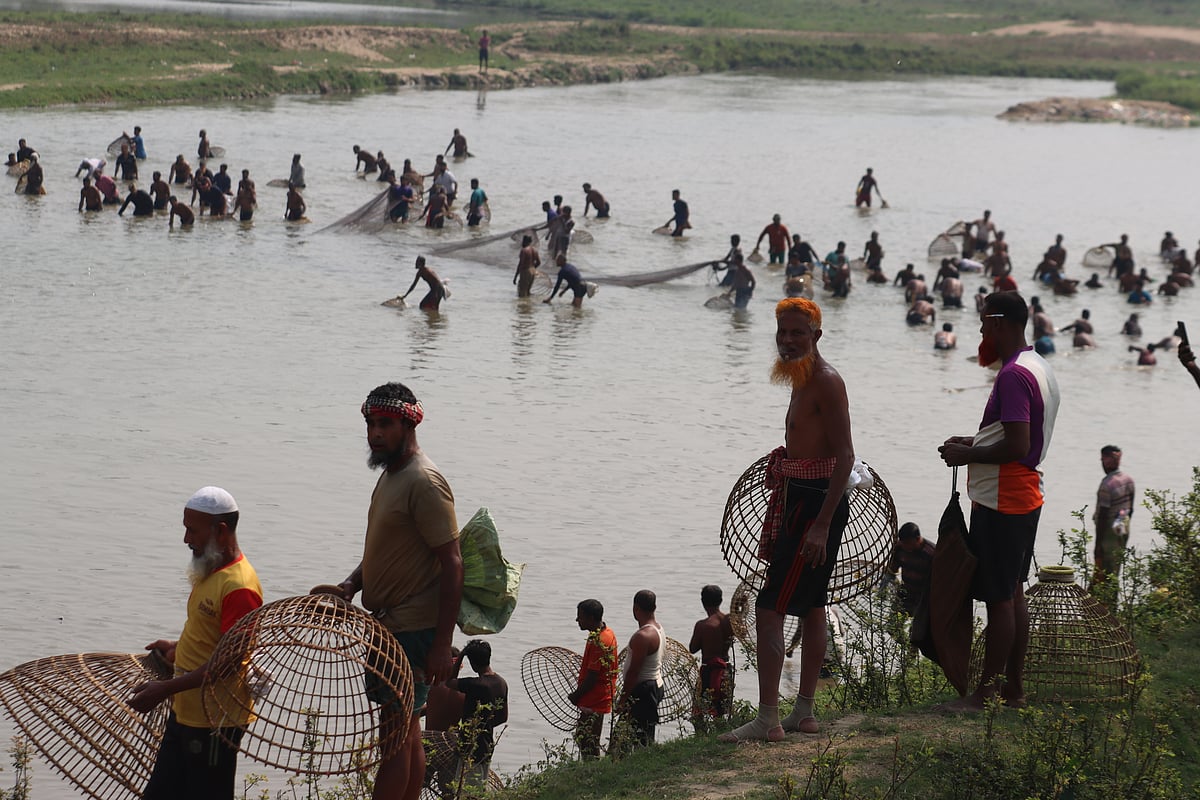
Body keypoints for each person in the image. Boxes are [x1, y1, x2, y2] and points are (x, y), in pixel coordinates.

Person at [720, 297, 854, 742]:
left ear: (817, 335)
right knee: (814, 607)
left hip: (814, 507)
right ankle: (805, 714)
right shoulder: (800, 378)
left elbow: (844, 456)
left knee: (769, 606)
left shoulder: (827, 382)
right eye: (783, 332)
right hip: (801, 495)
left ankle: (768, 719)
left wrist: (819, 524)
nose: (788, 340)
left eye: (798, 332)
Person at [330, 382, 464, 800]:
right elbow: (385, 550)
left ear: (410, 422)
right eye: (370, 423)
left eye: (385, 424)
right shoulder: (391, 476)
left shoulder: (424, 481)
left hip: (413, 628)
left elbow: (452, 563)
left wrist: (442, 645)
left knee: (392, 736)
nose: (375, 433)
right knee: (406, 731)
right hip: (390, 625)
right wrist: (352, 584)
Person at [938, 290, 1060, 711]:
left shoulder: (1012, 375)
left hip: (1004, 496)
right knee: (1013, 591)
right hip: (1023, 491)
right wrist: (972, 442)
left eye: (983, 322)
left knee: (999, 598)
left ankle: (985, 694)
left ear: (999, 323)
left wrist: (968, 454)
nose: (978, 330)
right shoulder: (1035, 364)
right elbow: (1017, 437)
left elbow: (1018, 443)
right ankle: (1014, 690)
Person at [126, 486, 263, 800]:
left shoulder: (239, 587)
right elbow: (210, 637)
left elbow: (229, 662)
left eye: (192, 530)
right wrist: (176, 649)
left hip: (215, 722)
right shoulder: (210, 571)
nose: (186, 539)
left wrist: (164, 689)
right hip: (187, 712)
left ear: (221, 530)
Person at [446, 640, 507, 790]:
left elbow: (449, 682)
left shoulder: (475, 685)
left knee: (466, 792)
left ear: (472, 663)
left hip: (470, 747)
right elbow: (503, 717)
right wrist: (485, 724)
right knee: (477, 789)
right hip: (486, 746)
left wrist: (460, 656)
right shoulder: (501, 683)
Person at [567, 599, 618, 759]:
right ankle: (593, 770)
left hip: (595, 698)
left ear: (590, 618)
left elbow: (592, 677)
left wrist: (576, 695)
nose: (577, 620)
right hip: (600, 696)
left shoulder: (598, 641)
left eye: (580, 617)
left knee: (586, 739)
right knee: (588, 737)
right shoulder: (606, 633)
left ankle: (593, 771)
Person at [616, 590, 664, 750]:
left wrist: (622, 700)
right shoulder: (658, 628)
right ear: (654, 607)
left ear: (635, 609)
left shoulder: (643, 636)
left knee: (629, 737)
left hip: (643, 691)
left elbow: (633, 673)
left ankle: (634, 767)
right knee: (641, 734)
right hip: (654, 685)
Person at [688, 584, 733, 730]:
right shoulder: (730, 621)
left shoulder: (703, 625)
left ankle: (701, 738)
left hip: (709, 671)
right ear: (721, 600)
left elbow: (692, 648)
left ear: (703, 601)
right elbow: (742, 634)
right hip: (726, 669)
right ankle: (721, 734)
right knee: (722, 710)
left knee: (698, 712)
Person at [1093, 445, 1135, 583]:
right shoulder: (1128, 480)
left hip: (1108, 534)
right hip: (1122, 530)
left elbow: (1103, 517)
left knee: (1103, 573)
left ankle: (1104, 603)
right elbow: (1130, 509)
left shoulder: (1107, 485)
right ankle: (1112, 602)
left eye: (1103, 459)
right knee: (1115, 570)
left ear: (1107, 460)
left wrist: (1098, 545)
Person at [885, 522, 935, 615]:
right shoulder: (899, 548)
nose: (905, 546)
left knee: (917, 628)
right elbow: (892, 570)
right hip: (904, 594)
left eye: (908, 543)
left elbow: (938, 582)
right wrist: (884, 586)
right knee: (893, 624)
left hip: (924, 599)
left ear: (918, 539)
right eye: (903, 542)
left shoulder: (931, 553)